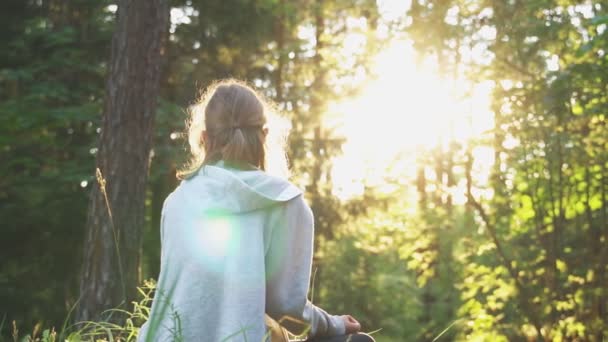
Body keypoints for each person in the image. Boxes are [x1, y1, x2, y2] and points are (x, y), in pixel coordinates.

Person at [137, 79, 375, 342]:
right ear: (264, 134)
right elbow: (288, 312)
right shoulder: (284, 201)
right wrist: (334, 324)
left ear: (204, 138)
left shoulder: (177, 200)